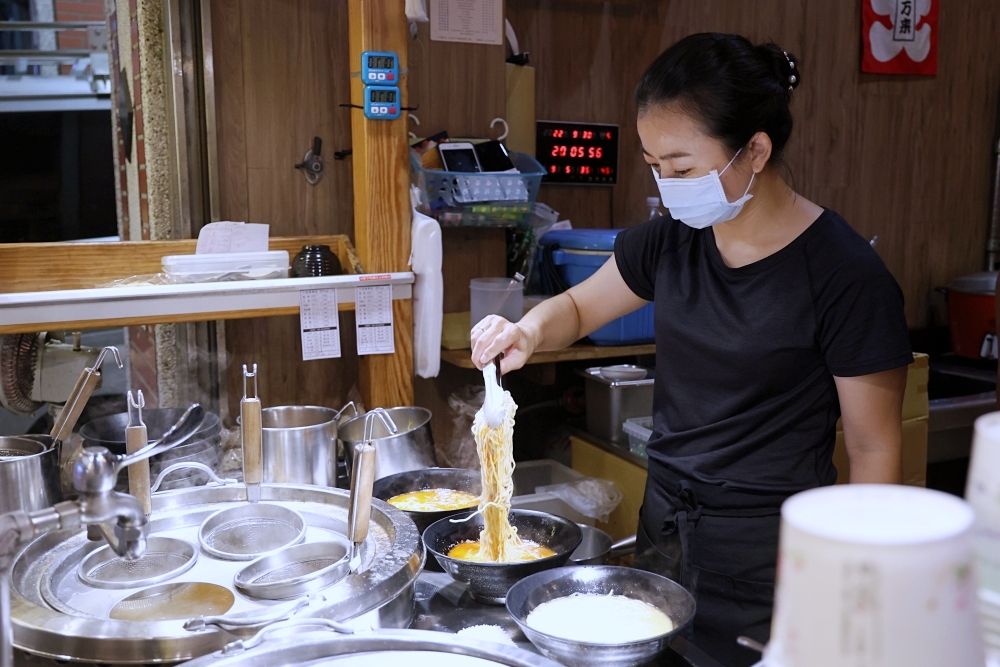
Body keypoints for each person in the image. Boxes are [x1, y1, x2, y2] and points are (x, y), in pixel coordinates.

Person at [471, 33, 912, 666]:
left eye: (681, 168)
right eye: (655, 166)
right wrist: (528, 332)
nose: (667, 185)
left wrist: (858, 600)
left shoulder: (844, 275)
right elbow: (575, 307)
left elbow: (875, 452)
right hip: (666, 529)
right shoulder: (673, 241)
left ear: (754, 150)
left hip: (769, 557)